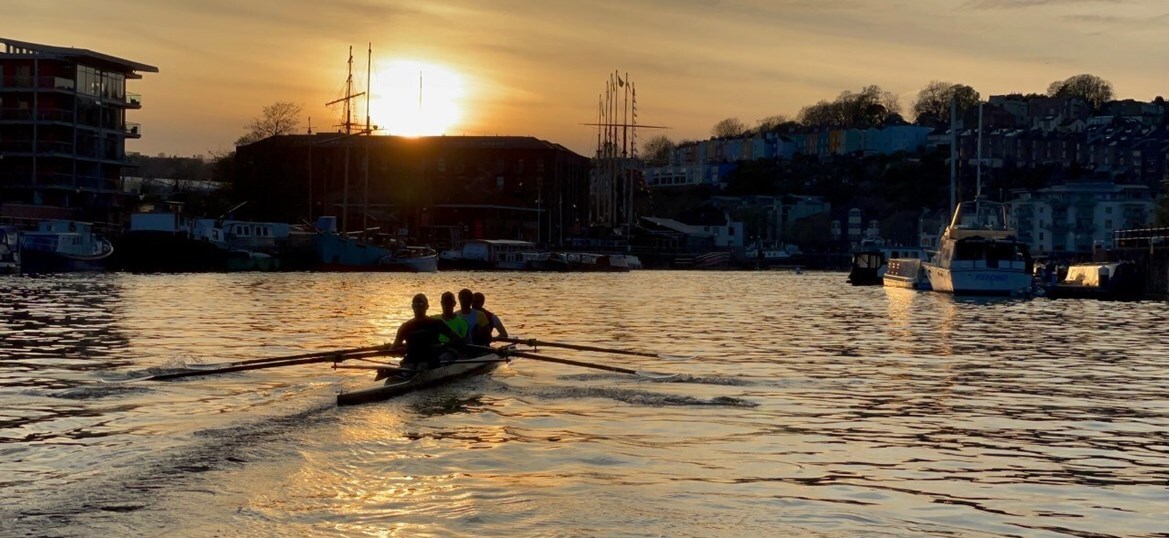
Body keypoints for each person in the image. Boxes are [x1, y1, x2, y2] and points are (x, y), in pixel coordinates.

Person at [389, 293, 464, 370]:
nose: (418, 307)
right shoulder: (405, 327)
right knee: (410, 366)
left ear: (427, 307)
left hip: (430, 360)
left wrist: (443, 347)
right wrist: (397, 350)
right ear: (412, 307)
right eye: (416, 304)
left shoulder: (436, 323)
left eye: (421, 304)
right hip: (411, 361)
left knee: (422, 366)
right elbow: (394, 347)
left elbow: (457, 339)